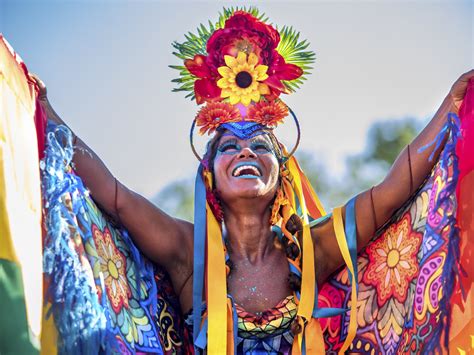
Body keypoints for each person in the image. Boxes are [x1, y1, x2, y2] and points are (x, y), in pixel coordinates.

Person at [33, 9, 473, 355]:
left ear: (282, 171)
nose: (245, 151)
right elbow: (115, 197)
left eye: (260, 144)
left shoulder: (314, 250)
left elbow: (396, 186)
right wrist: (44, 113)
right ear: (210, 175)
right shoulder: (189, 254)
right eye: (229, 146)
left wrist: (452, 104)